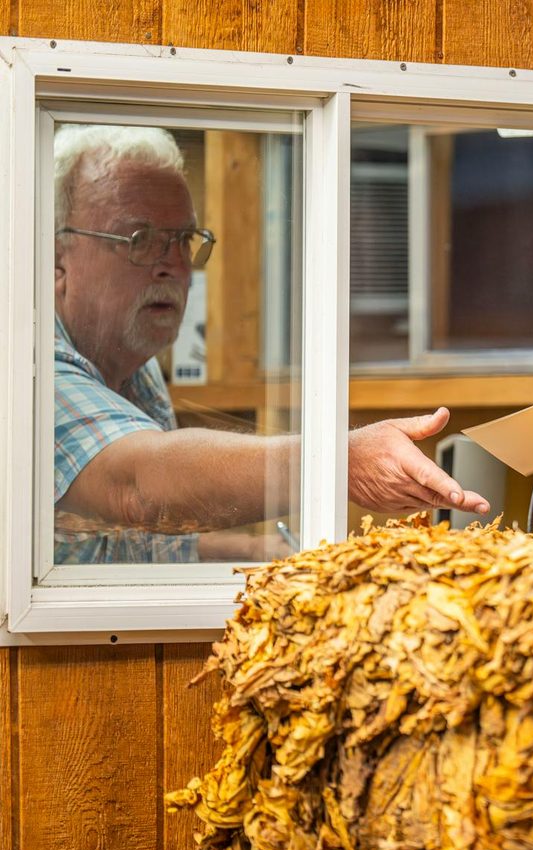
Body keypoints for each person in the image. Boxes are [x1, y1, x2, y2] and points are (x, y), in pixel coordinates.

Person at [52, 124, 489, 563]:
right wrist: (339, 461)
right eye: (140, 240)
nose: (172, 265)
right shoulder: (31, 365)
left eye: (183, 240)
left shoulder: (132, 361)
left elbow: (132, 539)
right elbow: (135, 490)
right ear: (55, 258)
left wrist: (264, 552)